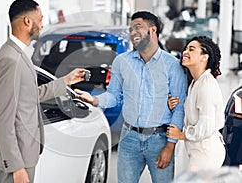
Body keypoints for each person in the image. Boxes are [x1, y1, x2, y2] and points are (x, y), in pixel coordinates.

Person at [75, 11, 187, 183]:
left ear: (152, 30)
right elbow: (114, 95)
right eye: (131, 29)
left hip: (160, 139)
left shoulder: (172, 65)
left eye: (138, 27)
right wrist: (95, 100)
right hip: (129, 138)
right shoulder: (121, 62)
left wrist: (170, 146)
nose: (132, 33)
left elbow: (179, 108)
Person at [0, 0, 87, 183]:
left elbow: (30, 95)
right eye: (40, 19)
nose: (42, 24)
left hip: (26, 154)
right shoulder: (10, 59)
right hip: (18, 159)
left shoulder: (19, 53)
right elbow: (2, 118)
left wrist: (66, 81)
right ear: (27, 21)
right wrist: (16, 167)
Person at [167, 36, 225, 171]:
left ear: (204, 57)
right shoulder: (196, 82)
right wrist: (176, 105)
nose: (185, 52)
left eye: (191, 49)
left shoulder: (206, 85)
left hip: (206, 153)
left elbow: (206, 126)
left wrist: (180, 135)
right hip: (197, 150)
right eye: (185, 49)